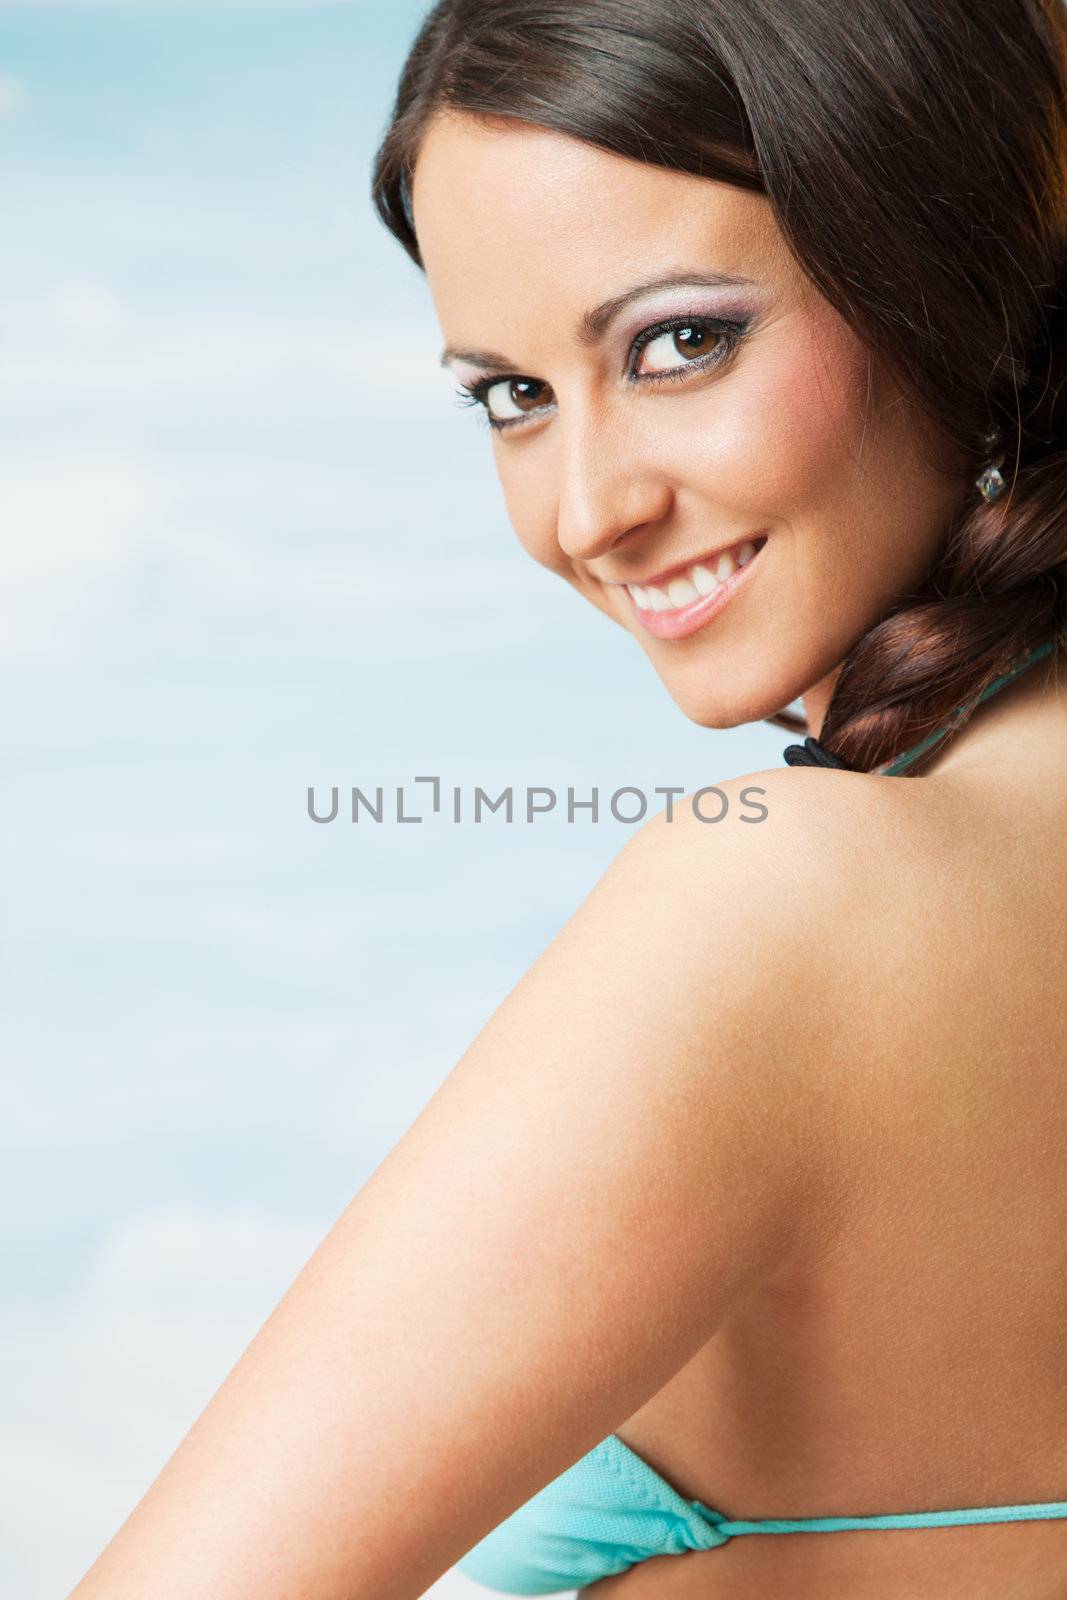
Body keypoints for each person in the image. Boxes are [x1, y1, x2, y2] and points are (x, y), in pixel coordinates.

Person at [68, 2, 1067, 1598]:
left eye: (683, 342)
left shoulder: (787, 902)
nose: (588, 509)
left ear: (948, 272)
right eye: (510, 398)